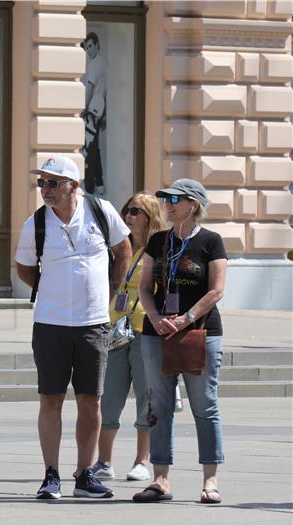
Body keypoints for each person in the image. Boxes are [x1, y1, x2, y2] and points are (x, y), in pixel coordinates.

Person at [14, 155, 131, 499]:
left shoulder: (100, 210)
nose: (45, 190)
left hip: (93, 323)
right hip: (50, 323)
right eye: (42, 183)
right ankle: (51, 474)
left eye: (53, 183)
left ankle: (84, 474)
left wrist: (114, 291)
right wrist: (53, 287)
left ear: (73, 186)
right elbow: (24, 269)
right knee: (50, 399)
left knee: (91, 401)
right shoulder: (35, 223)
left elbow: (123, 249)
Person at [132, 179, 227, 505]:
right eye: (165, 199)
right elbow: (145, 285)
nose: (168, 204)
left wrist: (185, 318)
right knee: (158, 404)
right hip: (157, 332)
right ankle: (160, 479)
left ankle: (210, 480)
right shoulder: (159, 241)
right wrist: (155, 316)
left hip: (199, 332)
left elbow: (216, 290)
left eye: (175, 199)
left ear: (194, 204)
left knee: (205, 405)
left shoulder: (211, 242)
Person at [91, 192, 163, 481]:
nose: (129, 217)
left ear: (150, 217)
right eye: (126, 211)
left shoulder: (158, 250)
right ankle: (104, 462)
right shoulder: (116, 247)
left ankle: (142, 461)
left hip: (146, 330)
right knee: (107, 398)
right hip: (115, 330)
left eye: (136, 211)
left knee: (147, 399)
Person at [81, 32, 107, 196]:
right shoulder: (101, 62)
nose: (88, 50)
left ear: (97, 44)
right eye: (86, 47)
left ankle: (89, 186)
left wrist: (83, 108)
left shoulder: (96, 64)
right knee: (94, 147)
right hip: (99, 108)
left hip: (93, 108)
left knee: (89, 147)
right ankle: (100, 183)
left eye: (90, 46)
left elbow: (90, 88)